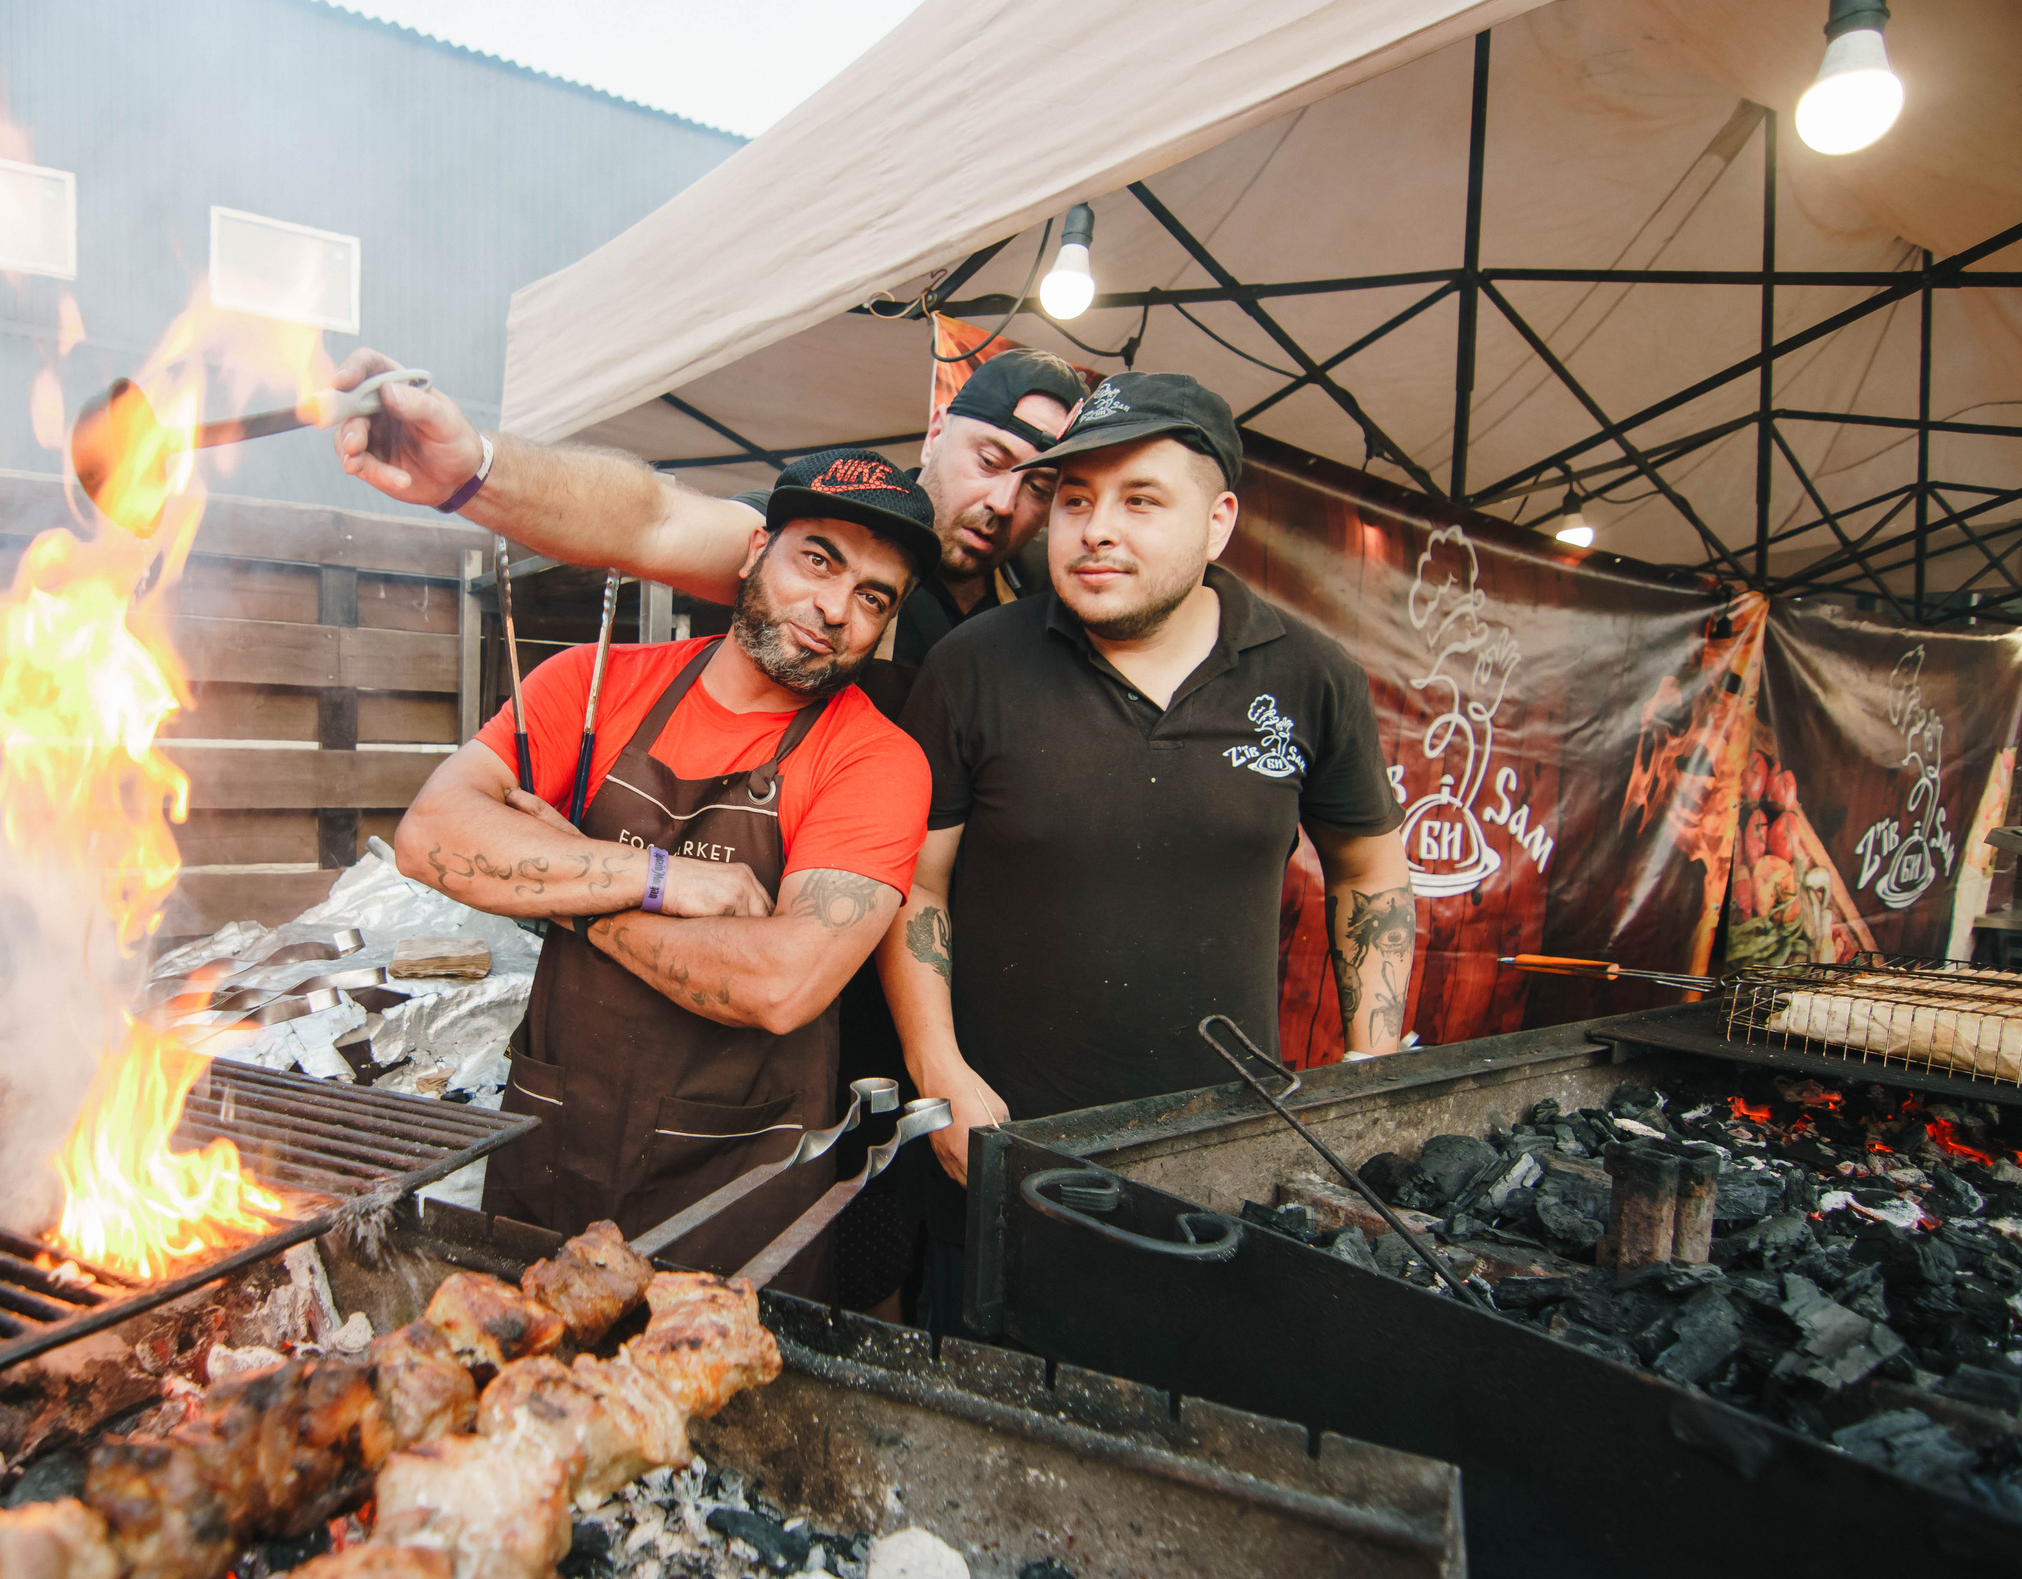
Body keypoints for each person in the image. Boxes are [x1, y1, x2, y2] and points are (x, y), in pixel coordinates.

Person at [877, 373, 1417, 1331]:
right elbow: (917, 883)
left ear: (1218, 522)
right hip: (1004, 1154)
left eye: (1139, 500)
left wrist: (1369, 1065)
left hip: (1227, 1163)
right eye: (1075, 499)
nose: (1095, 529)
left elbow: (1369, 872)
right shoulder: (975, 665)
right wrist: (939, 1070)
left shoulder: (1309, 672)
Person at [383, 448, 938, 1294]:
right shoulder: (591, 684)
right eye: (817, 559)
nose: (833, 609)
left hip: (739, 1188)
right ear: (755, 552)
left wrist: (574, 901)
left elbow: (781, 983)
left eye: (873, 598)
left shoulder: (877, 759)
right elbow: (431, 836)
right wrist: (661, 878)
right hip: (555, 1144)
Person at [327, 345, 1085, 668]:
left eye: (1041, 488)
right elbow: (654, 517)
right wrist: (476, 469)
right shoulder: (846, 514)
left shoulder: (1046, 604)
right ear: (937, 430)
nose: (1005, 502)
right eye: (991, 462)